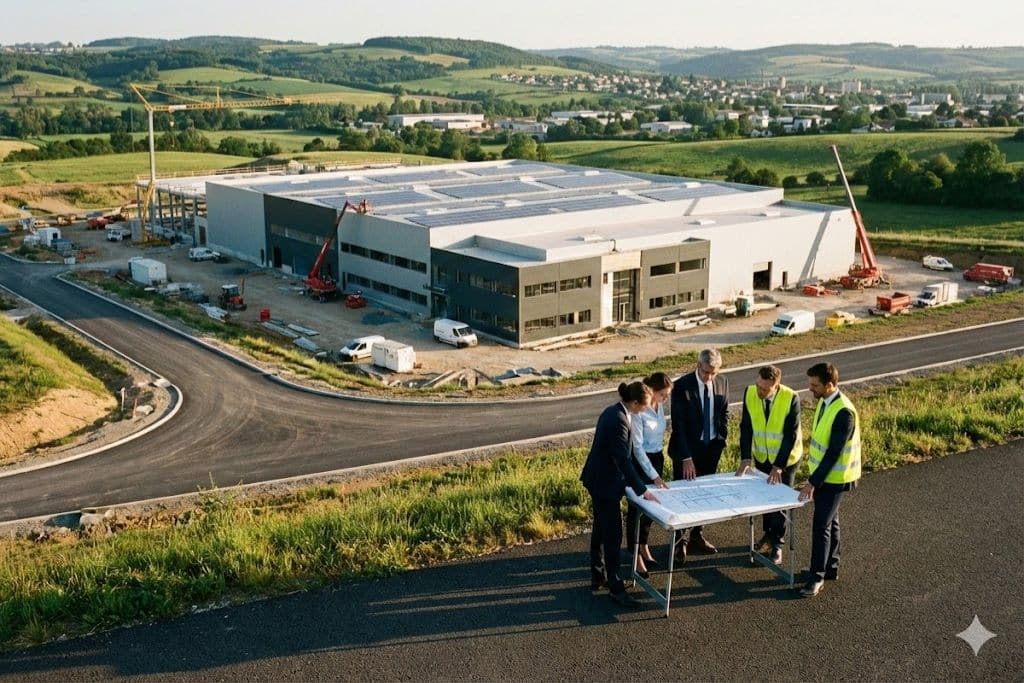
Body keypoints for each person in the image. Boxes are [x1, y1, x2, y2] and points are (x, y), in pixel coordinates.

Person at [580, 381, 660, 608]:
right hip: (605, 484)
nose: (644, 411)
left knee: (600, 529)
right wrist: (642, 490)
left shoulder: (612, 411)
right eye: (643, 407)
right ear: (634, 403)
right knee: (613, 535)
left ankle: (598, 576)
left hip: (596, 479)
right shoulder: (619, 421)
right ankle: (615, 587)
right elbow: (622, 460)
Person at [797, 362, 861, 598]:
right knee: (831, 522)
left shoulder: (843, 412)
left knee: (821, 525)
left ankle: (817, 576)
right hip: (826, 477)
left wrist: (812, 482)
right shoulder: (826, 402)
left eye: (814, 385)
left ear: (830, 385)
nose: (810, 389)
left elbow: (834, 453)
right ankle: (830, 567)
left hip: (835, 478)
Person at [735, 365, 802, 565]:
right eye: (758, 385)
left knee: (779, 500)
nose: (759, 391)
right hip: (762, 457)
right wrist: (746, 457)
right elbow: (746, 427)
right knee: (764, 498)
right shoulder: (750, 392)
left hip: (786, 460)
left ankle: (778, 543)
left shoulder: (791, 398)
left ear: (776, 386)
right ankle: (767, 535)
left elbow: (790, 436)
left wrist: (779, 466)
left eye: (765, 389)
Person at [668, 348, 729, 561]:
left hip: (711, 449)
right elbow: (679, 426)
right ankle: (679, 542)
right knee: (684, 497)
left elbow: (723, 412)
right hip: (687, 452)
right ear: (698, 365)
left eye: (714, 373)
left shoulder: (722, 382)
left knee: (704, 496)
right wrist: (686, 458)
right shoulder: (682, 386)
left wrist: (722, 439)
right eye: (706, 372)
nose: (709, 377)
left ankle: (697, 535)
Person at [625, 372, 673, 577]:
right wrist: (653, 475)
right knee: (637, 509)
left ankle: (644, 545)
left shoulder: (659, 406)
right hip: (640, 463)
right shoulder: (639, 412)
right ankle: (634, 553)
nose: (666, 398)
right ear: (652, 391)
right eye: (663, 394)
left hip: (657, 457)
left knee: (651, 509)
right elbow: (637, 448)